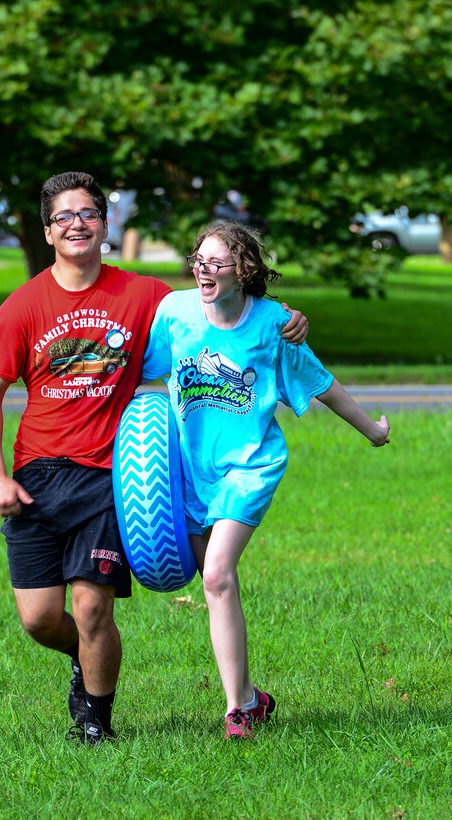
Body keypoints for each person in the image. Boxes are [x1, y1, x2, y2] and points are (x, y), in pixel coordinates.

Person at [0, 173, 309, 745]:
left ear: (104, 226)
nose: (77, 223)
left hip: (112, 476)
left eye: (88, 214)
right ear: (48, 231)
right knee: (39, 618)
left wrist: (286, 316)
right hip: (36, 475)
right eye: (64, 216)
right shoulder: (24, 305)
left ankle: (96, 726)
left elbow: (223, 295)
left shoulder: (145, 295)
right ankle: (81, 654)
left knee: (93, 606)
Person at [142, 219, 390, 740]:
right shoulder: (175, 312)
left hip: (251, 464)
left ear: (244, 270)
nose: (204, 271)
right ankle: (254, 698)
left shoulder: (274, 325)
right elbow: (144, 379)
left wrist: (371, 429)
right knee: (197, 575)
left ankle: (236, 710)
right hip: (189, 468)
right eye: (199, 261)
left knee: (216, 575)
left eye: (217, 263)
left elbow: (320, 383)